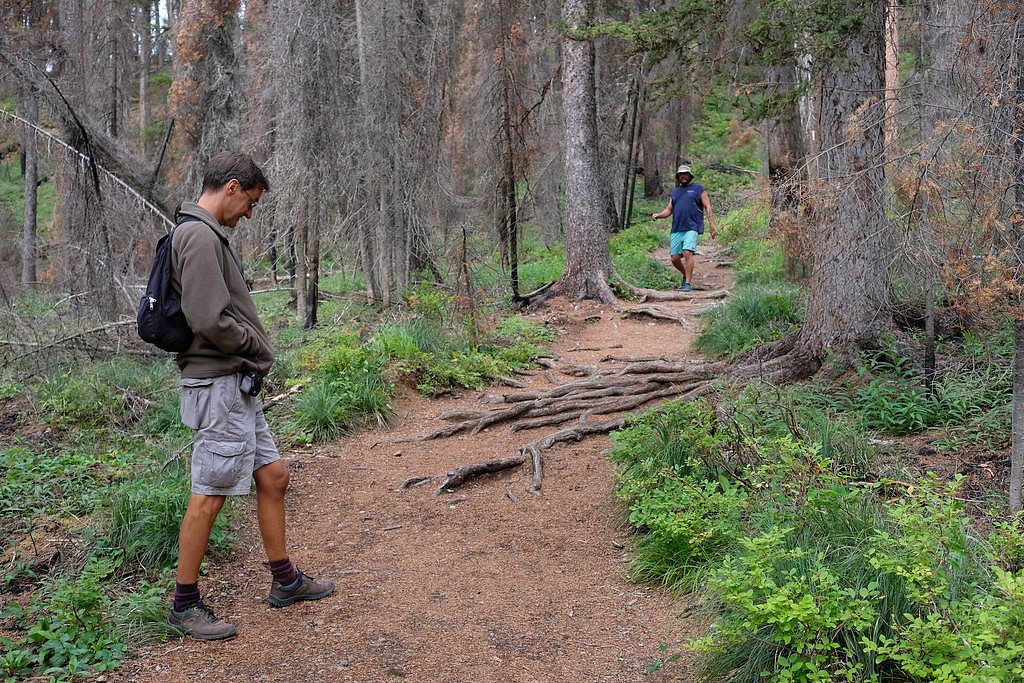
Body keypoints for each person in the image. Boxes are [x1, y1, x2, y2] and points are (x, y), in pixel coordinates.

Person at [166, 151, 334, 641]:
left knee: (274, 476)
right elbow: (207, 318)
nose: (249, 214)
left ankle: (285, 581)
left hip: (232, 383)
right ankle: (183, 604)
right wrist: (259, 349)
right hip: (218, 383)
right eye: (250, 203)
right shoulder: (197, 235)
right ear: (233, 187)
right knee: (210, 494)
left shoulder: (205, 233)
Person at [651, 164, 717, 291]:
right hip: (677, 228)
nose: (683, 176)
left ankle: (688, 283)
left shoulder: (698, 188)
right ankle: (685, 274)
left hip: (692, 226)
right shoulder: (675, 192)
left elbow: (708, 206)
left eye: (685, 174)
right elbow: (669, 210)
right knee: (674, 258)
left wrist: (712, 225)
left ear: (690, 176)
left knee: (687, 252)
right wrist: (658, 215)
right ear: (678, 177)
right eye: (681, 174)